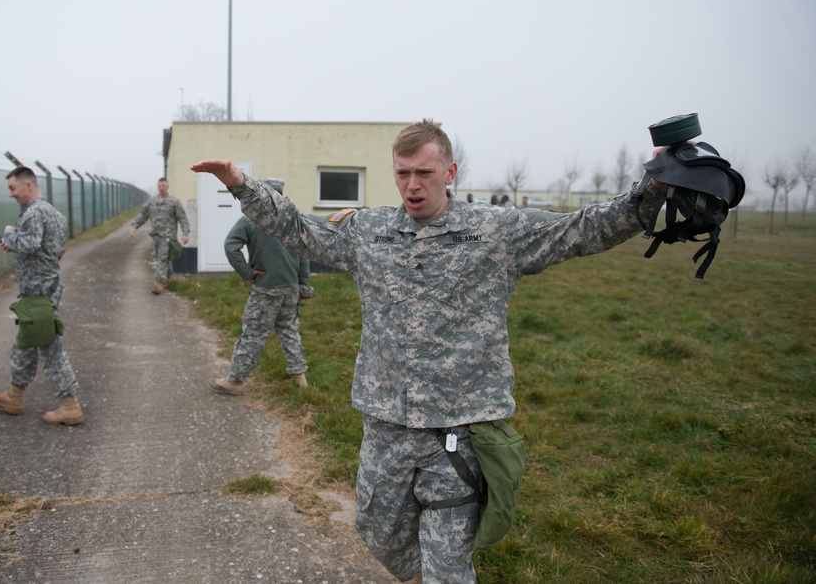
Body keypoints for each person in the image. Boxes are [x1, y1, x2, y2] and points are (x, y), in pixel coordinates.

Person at [191, 119, 668, 583]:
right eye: (403, 173)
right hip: (387, 423)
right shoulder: (367, 232)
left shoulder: (496, 232)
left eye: (424, 173)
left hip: (456, 431)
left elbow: (582, 229)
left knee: (448, 565)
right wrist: (239, 184)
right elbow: (297, 229)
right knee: (378, 533)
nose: (412, 185)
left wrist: (655, 185)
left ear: (450, 173)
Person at [0, 166, 83, 426]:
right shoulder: (52, 212)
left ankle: (70, 403)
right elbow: (51, 247)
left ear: (28, 185)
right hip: (43, 289)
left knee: (49, 345)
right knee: (26, 341)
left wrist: (9, 234)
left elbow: (30, 243)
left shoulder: (33, 213)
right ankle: (14, 395)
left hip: (38, 292)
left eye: (12, 188)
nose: (11, 194)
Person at [211, 178, 313, 396]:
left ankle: (235, 382)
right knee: (289, 331)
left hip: (266, 288)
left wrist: (247, 272)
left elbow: (231, 246)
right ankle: (300, 379)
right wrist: (304, 284)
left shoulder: (251, 220)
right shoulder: (293, 220)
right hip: (291, 287)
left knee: (254, 333)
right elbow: (304, 254)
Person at [129, 177, 190, 294]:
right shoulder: (152, 202)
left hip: (168, 236)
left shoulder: (174, 202)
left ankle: (158, 284)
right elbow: (143, 215)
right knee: (160, 258)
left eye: (163, 186)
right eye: (159, 186)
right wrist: (134, 227)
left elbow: (182, 218)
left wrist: (185, 233)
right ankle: (170, 277)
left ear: (168, 187)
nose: (161, 188)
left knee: (162, 259)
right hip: (155, 235)